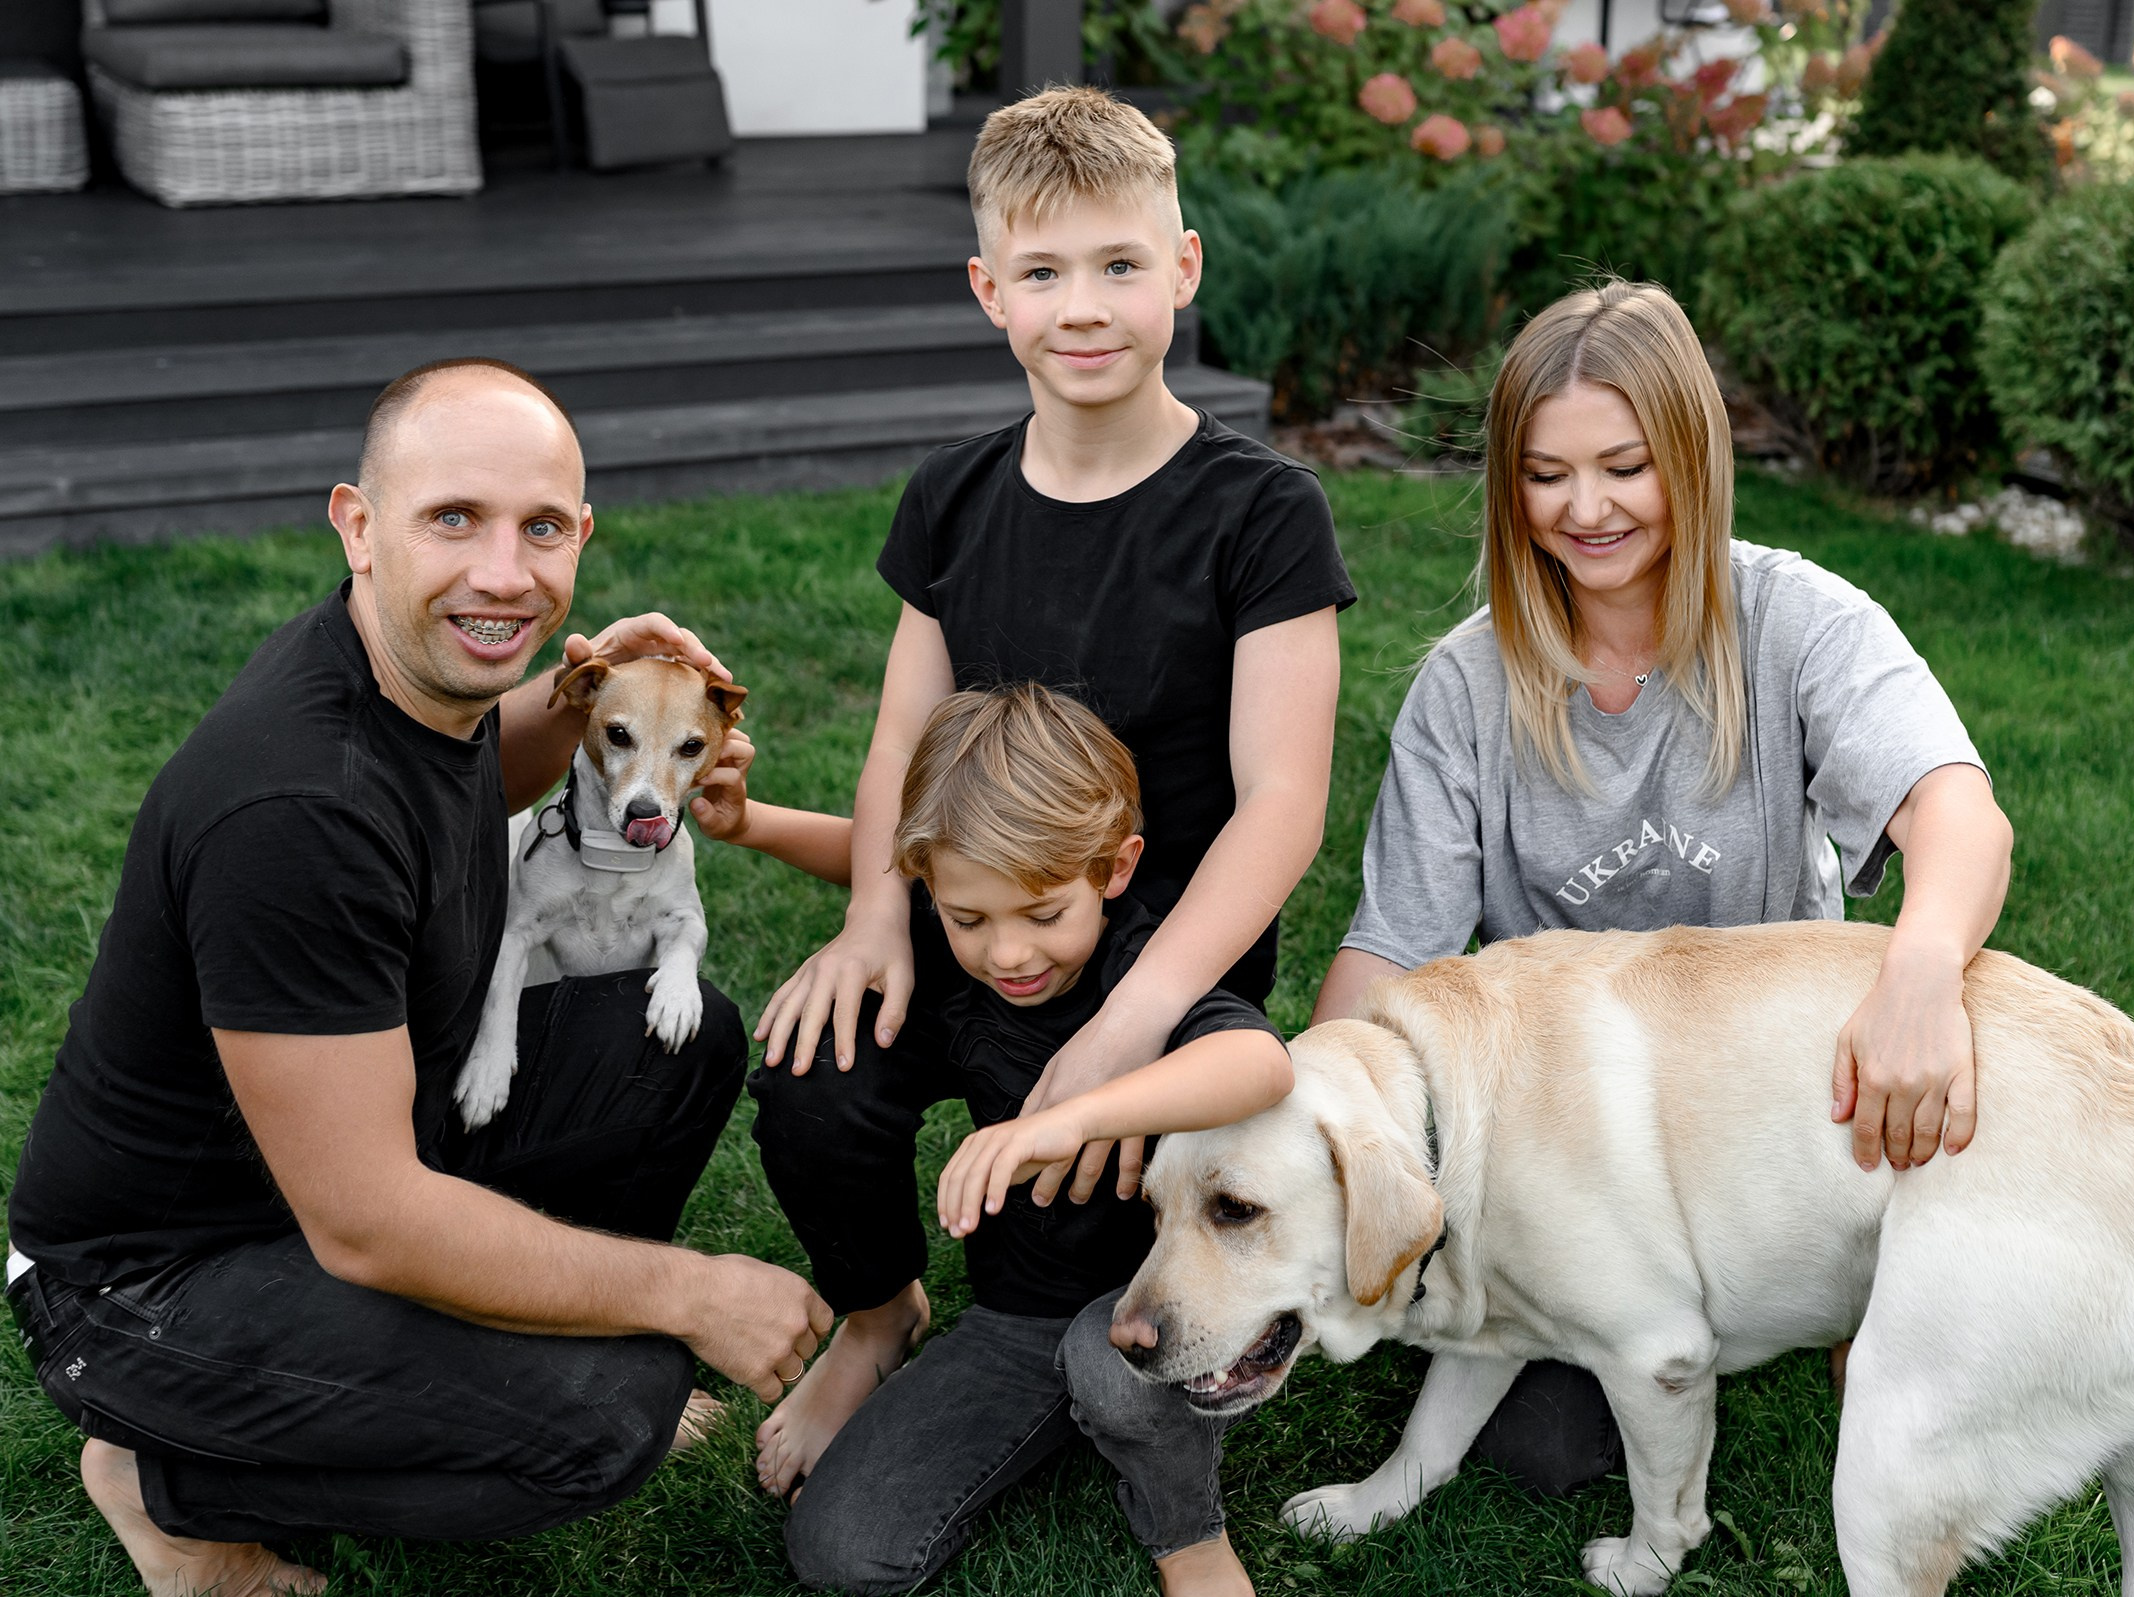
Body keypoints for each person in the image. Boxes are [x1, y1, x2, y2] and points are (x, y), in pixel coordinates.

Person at [4, 358, 836, 1597]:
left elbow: (471, 780)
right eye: (455, 517)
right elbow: (368, 1219)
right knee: (608, 1415)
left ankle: (490, 1353)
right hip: (151, 1281)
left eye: (541, 528)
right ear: (359, 525)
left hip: (355, 1150)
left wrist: (591, 694)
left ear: (581, 540)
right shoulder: (294, 803)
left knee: (680, 1043)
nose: (504, 572)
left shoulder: (425, 680)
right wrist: (691, 1292)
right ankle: (164, 1474)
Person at [738, 81, 1353, 1559]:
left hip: (1155, 964)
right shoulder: (952, 499)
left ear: (1183, 269)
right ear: (988, 290)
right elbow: (902, 731)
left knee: (1068, 1249)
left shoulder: (1258, 513)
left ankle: (1089, 1348)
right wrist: (877, 922)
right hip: (971, 933)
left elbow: (1285, 801)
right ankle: (881, 1309)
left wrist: (1128, 1025)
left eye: (1120, 266)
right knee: (814, 1072)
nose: (1084, 309)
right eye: (1043, 272)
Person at [1311, 283, 2015, 1497]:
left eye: (1626, 466)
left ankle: (1841, 1281)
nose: (1585, 509)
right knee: (1544, 1454)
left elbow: (1957, 808)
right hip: (1571, 1141)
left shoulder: (1794, 619)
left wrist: (1920, 968)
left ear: (1691, 454)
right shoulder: (1467, 687)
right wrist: (1308, 1125)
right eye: (1545, 475)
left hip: (1768, 1110)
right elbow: (1392, 956)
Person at [745, 683, 1293, 1595]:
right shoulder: (959, 949)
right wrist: (751, 822)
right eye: (969, 919)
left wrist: (1073, 1116)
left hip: (1159, 1295)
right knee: (841, 1552)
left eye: (1043, 914)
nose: (1007, 954)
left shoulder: (1138, 967)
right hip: (1020, 1311)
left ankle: (1185, 1527)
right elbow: (873, 856)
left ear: (1115, 870)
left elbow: (1262, 1062)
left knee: (1109, 1369)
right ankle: (891, 1324)